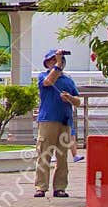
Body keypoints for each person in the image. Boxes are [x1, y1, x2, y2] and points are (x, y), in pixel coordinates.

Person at [34, 48, 81, 198]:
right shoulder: (43, 76)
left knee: (62, 157)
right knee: (44, 154)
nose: (53, 63)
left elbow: (78, 101)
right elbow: (48, 82)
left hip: (64, 121)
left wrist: (69, 98)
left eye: (56, 60)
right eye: (51, 60)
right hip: (48, 120)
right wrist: (58, 64)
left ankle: (60, 187)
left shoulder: (68, 80)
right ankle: (41, 186)